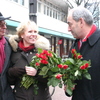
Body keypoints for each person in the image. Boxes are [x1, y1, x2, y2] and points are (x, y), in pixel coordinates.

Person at [7, 20, 52, 100]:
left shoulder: (43, 51)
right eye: (30, 31)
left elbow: (51, 78)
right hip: (20, 97)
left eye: (35, 32)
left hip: (42, 97)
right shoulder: (13, 51)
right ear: (22, 34)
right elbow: (9, 80)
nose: (33, 34)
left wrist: (37, 74)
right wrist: (12, 72)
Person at [66, 6, 100, 100]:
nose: (68, 29)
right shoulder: (75, 44)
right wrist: (68, 85)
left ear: (81, 22)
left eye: (70, 24)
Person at [0, 12, 15, 100]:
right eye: (1, 25)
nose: (4, 27)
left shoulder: (10, 43)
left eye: (4, 24)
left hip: (6, 94)